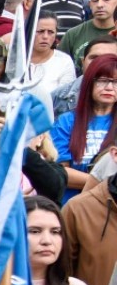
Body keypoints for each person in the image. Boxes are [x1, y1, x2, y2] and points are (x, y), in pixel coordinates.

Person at [50, 54, 117, 198]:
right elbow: (60, 172)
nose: (110, 87)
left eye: (116, 82)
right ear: (88, 83)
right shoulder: (66, 121)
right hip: (73, 206)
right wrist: (103, 182)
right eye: (103, 81)